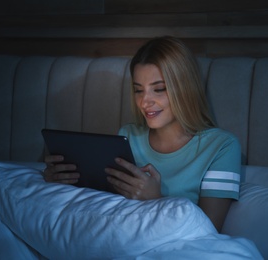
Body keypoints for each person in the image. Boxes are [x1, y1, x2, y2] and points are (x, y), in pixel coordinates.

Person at [43, 36, 241, 232]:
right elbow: (105, 204)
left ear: (185, 88)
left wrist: (156, 200)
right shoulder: (128, 135)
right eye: (139, 90)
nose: (145, 101)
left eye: (159, 89)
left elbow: (209, 229)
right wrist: (61, 182)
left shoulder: (222, 146)